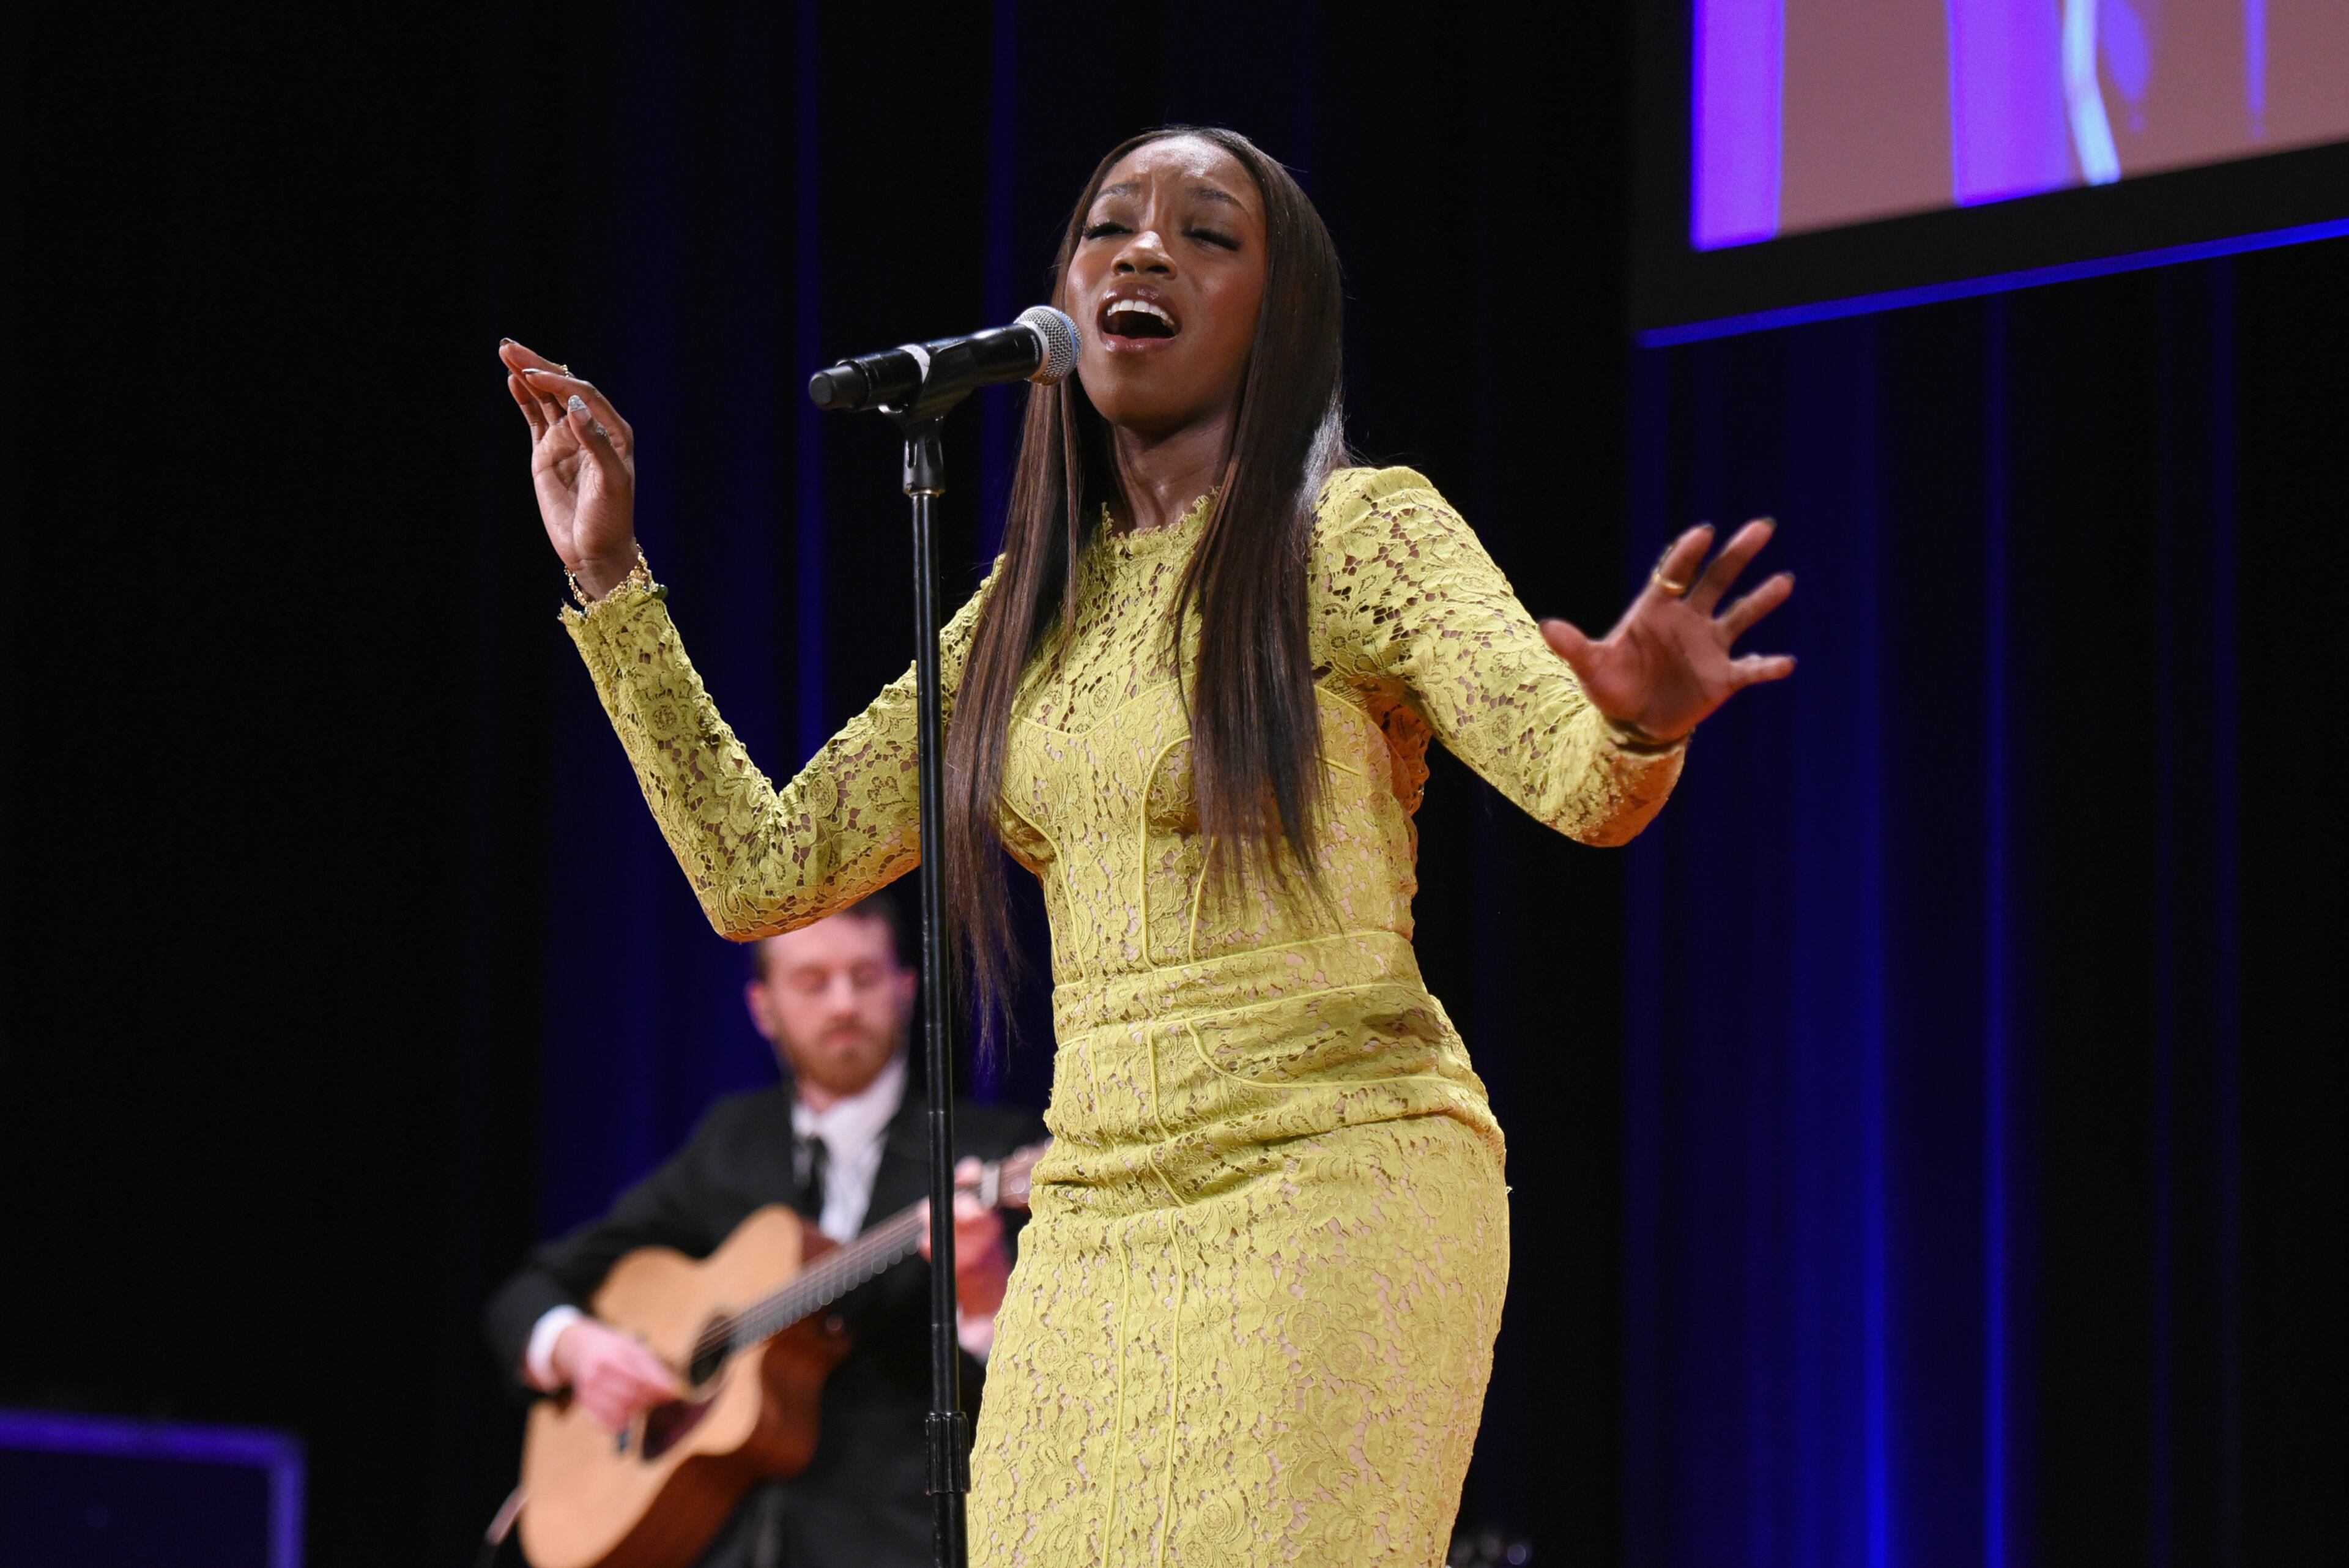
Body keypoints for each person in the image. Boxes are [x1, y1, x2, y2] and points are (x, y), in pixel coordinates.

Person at [497, 125, 1794, 1566]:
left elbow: (1579, 787)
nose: (1140, 250)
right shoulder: (1020, 613)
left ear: (1277, 314)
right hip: (1093, 1221)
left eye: (1205, 231)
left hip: (1333, 1181)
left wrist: (1642, 720)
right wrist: (610, 578)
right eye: (1108, 224)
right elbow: (764, 870)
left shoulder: (1360, 533)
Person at [483, 896, 1044, 1568]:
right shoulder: (731, 1143)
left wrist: (984, 1298)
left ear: (905, 988)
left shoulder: (983, 1149)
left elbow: (1048, 1397)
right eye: (813, 981)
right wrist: (576, 1348)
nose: (842, 1004)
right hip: (717, 1542)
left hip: (896, 1538)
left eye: (864, 978)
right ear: (763, 1006)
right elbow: (533, 1290)